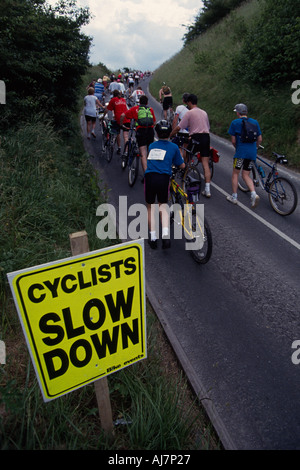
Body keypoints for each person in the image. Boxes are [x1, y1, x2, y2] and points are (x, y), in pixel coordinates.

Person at [145, 120, 185, 249]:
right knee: (163, 207)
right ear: (169, 133)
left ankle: (153, 237)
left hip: (150, 177)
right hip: (164, 179)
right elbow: (182, 165)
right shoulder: (173, 147)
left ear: (156, 132)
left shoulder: (152, 145)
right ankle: (166, 237)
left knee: (150, 207)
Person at [170, 94, 211, 198]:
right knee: (205, 163)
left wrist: (170, 135)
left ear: (189, 102)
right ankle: (207, 189)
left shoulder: (189, 113)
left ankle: (185, 179)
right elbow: (206, 127)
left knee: (187, 159)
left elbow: (179, 128)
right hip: (206, 137)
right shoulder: (204, 112)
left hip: (195, 137)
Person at [227, 103, 262, 208]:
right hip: (252, 154)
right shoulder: (255, 122)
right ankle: (253, 194)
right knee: (246, 175)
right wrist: (255, 147)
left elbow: (233, 140)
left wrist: (237, 148)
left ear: (238, 113)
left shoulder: (235, 123)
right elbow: (259, 139)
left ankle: (234, 197)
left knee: (235, 174)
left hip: (240, 153)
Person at [120, 95, 156, 174]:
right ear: (147, 102)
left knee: (143, 154)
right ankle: (152, 170)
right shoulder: (150, 109)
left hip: (141, 131)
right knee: (149, 153)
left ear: (139, 102)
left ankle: (146, 175)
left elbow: (123, 115)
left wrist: (121, 124)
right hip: (150, 131)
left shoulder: (135, 108)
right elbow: (154, 122)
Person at [104, 90, 131, 154]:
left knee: (117, 133)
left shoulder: (113, 100)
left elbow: (107, 109)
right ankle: (126, 152)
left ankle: (119, 147)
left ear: (113, 95)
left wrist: (103, 116)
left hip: (118, 119)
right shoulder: (123, 100)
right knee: (126, 136)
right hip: (126, 118)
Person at [172, 93, 190, 161]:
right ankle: (185, 167)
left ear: (183, 100)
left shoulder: (179, 108)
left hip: (181, 132)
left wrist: (173, 132)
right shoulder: (193, 109)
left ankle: (181, 162)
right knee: (186, 149)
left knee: (179, 147)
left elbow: (175, 121)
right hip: (189, 133)